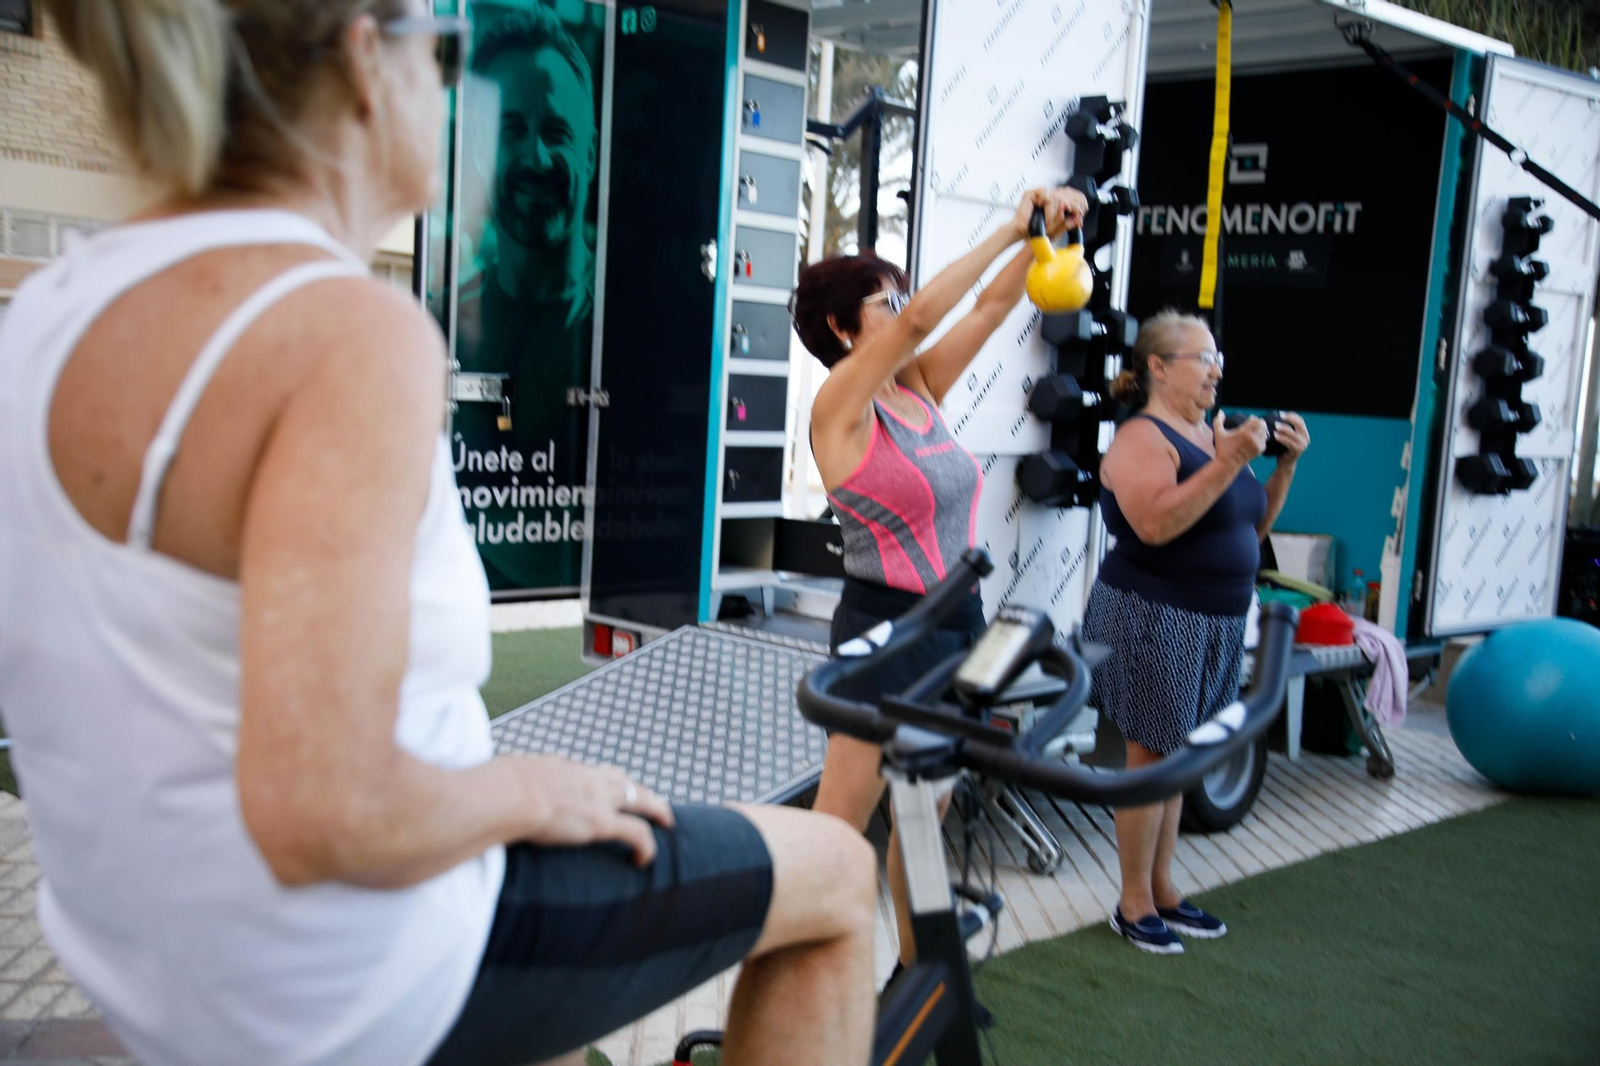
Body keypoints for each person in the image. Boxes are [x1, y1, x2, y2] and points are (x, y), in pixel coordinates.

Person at [0, 3, 875, 1065]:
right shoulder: (342, 330)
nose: (464, 93)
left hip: (147, 960)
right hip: (340, 977)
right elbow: (326, 808)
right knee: (834, 873)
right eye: (448, 53)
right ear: (371, 61)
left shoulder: (48, 311)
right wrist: (532, 785)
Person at [790, 185, 1087, 976]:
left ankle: (920, 983)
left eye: (896, 295)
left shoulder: (915, 389)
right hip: (884, 632)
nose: (901, 307)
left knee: (928, 813)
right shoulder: (839, 407)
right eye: (881, 301)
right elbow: (926, 316)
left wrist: (1041, 239)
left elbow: (988, 309)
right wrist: (1008, 226)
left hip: (956, 623)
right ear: (839, 327)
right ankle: (781, 983)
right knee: (835, 831)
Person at [1083, 310, 1309, 955]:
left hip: (1218, 616)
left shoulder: (1209, 435)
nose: (1216, 370)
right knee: (1150, 755)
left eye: (1218, 359)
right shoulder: (1140, 438)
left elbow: (1248, 529)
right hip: (1154, 614)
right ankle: (1131, 903)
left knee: (1180, 756)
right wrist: (1231, 455)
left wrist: (1282, 468)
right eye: (1202, 358)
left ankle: (1162, 890)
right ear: (1158, 367)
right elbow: (1155, 525)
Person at [454, 7, 600, 593]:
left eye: (556, 132)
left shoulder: (637, 333)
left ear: (590, 151)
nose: (536, 159)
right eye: (511, 130)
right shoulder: (440, 324)